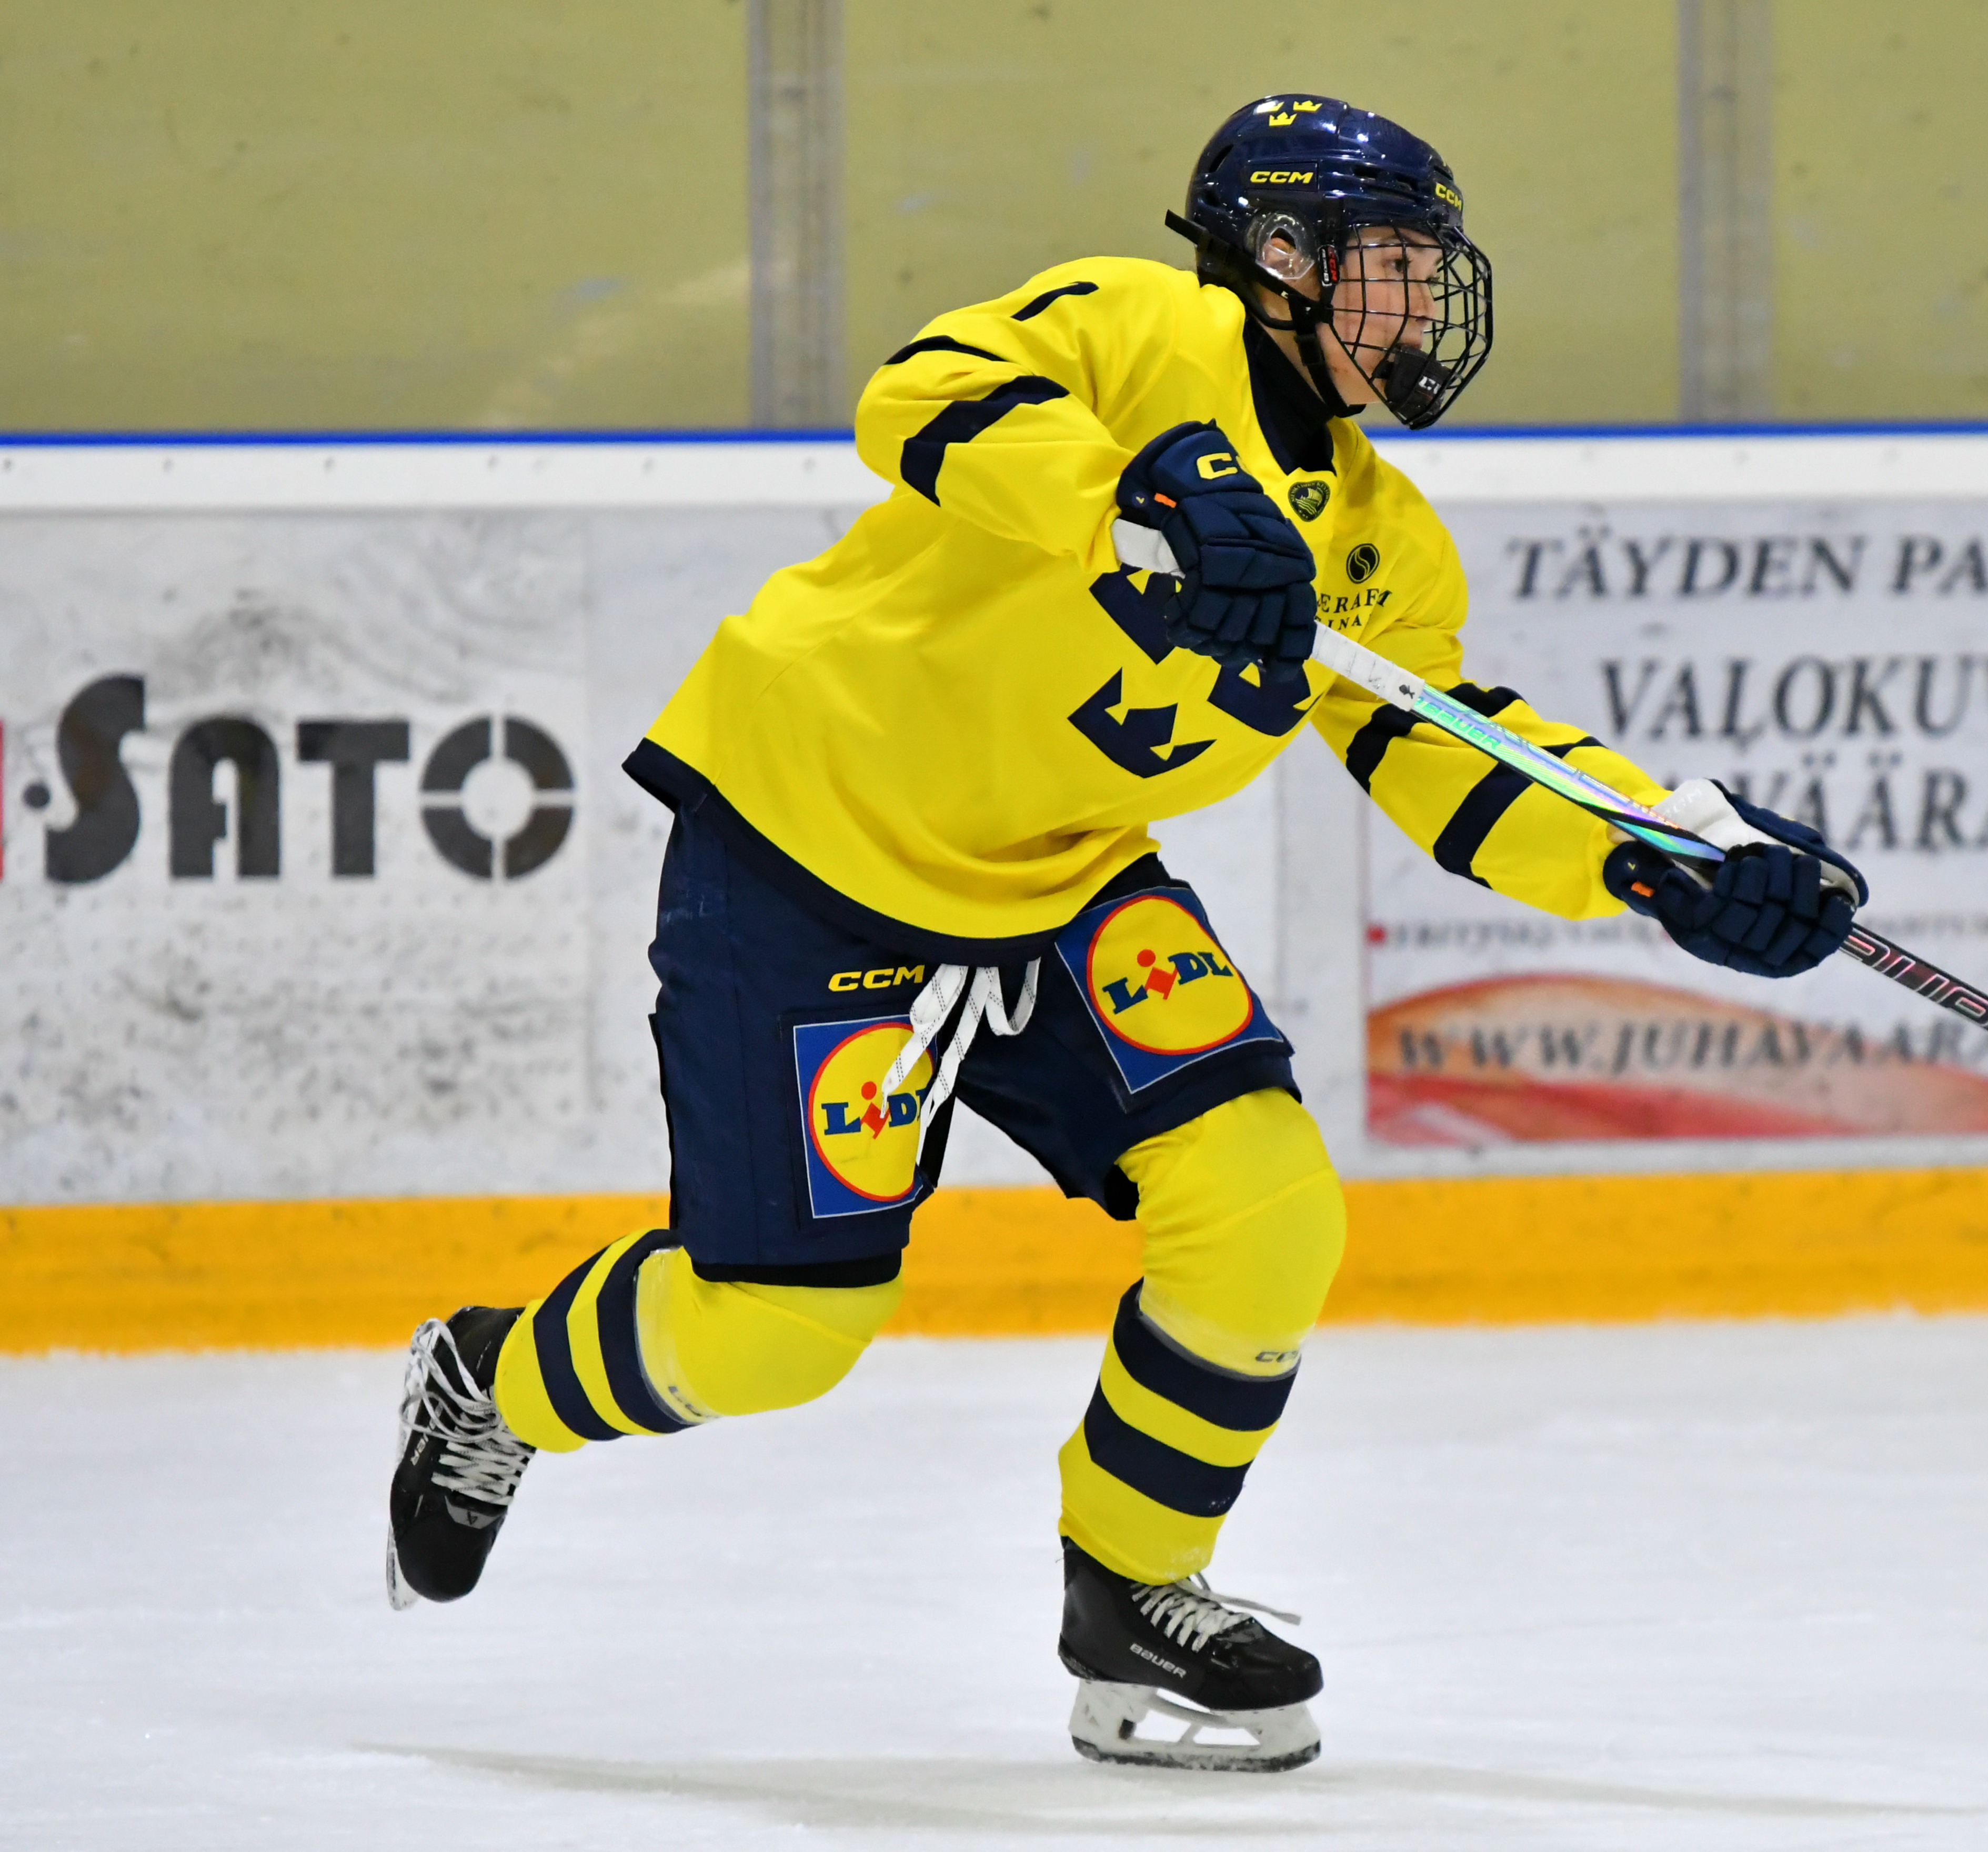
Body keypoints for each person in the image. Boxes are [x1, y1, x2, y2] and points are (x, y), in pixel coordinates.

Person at [385, 92, 1865, 1773]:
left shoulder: (1379, 539)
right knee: (777, 1334)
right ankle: (489, 1384)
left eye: (1428, 271)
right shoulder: (1142, 326)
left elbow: (1446, 752)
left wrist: (1660, 861)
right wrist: (1135, 490)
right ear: (1282, 261)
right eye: (1387, 268)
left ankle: (1135, 1593)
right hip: (809, 847)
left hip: (1064, 882)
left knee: (1267, 1213)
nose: (1420, 309)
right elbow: (920, 393)